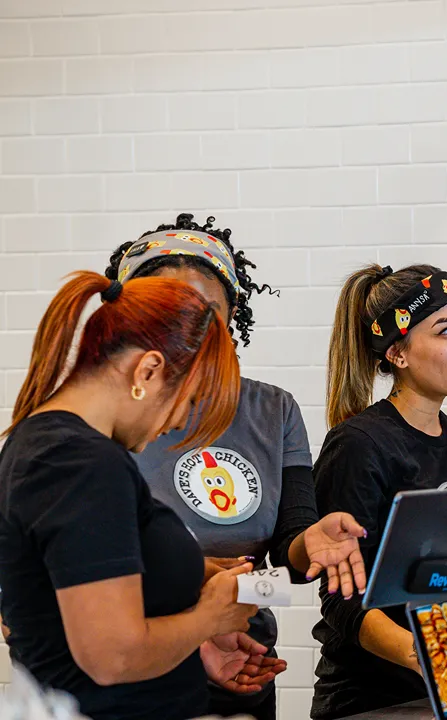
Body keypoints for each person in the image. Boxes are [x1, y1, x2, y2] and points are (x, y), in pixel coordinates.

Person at [103, 214, 369, 720]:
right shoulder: (101, 416)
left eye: (207, 313)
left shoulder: (272, 412)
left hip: (237, 661)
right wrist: (196, 600)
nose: (188, 329)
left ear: (230, 321)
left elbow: (285, 558)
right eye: (166, 309)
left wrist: (307, 545)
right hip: (131, 671)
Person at [0, 271, 258, 720]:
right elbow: (112, 656)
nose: (181, 423)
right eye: (190, 400)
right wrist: (210, 618)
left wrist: (188, 578)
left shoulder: (54, 446)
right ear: (148, 370)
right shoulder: (79, 461)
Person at [310, 264, 447, 720]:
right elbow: (342, 598)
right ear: (398, 353)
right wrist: (421, 654)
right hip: (373, 701)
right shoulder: (359, 444)